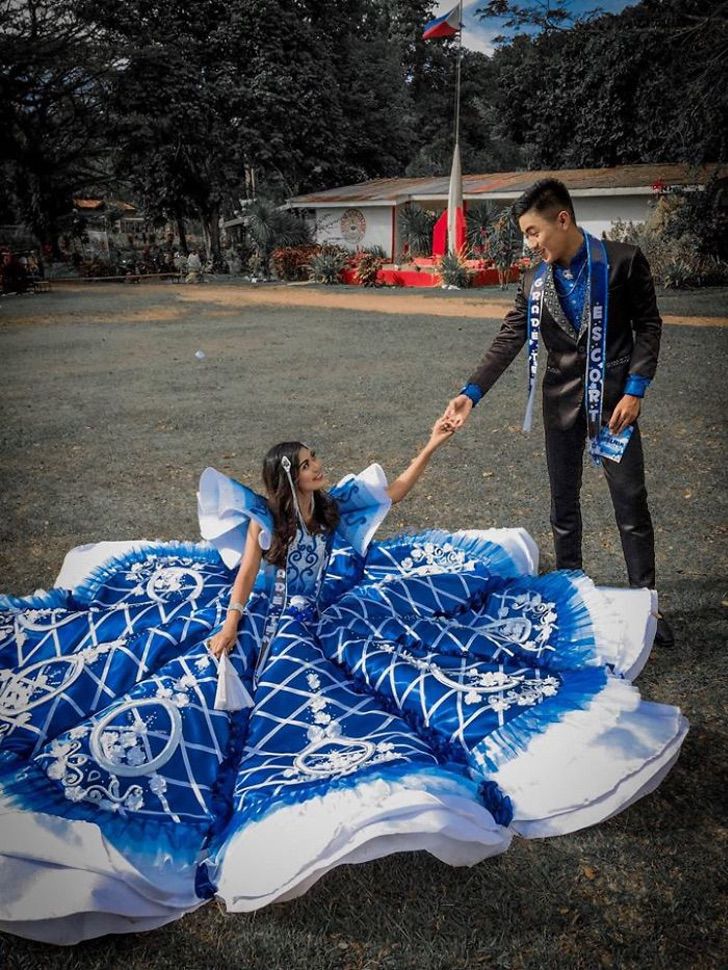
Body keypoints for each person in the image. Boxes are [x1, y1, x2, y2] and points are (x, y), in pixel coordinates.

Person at [0, 426, 687, 944]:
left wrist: (432, 443)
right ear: (286, 475)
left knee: (428, 647)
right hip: (276, 617)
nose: (320, 468)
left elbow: (396, 491)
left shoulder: (331, 507)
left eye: (317, 463)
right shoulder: (266, 521)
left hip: (334, 608)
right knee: (237, 697)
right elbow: (244, 579)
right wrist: (232, 625)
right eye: (309, 464)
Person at [444, 178, 674, 647]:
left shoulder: (623, 261)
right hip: (559, 405)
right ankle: (571, 597)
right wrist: (471, 392)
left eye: (533, 232)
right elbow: (510, 338)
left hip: (615, 408)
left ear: (562, 219)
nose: (530, 244)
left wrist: (635, 390)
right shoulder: (533, 281)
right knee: (563, 507)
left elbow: (648, 326)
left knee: (630, 502)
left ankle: (647, 604)